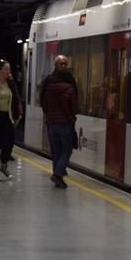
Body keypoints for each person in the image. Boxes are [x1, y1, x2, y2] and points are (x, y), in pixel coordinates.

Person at [40, 54, 80, 189]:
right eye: (61, 64)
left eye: (65, 64)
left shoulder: (49, 84)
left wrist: (50, 114)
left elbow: (44, 102)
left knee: (56, 150)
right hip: (65, 123)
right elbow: (75, 106)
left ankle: (58, 175)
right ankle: (58, 174)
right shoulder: (70, 85)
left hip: (51, 123)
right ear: (56, 65)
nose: (63, 66)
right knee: (67, 150)